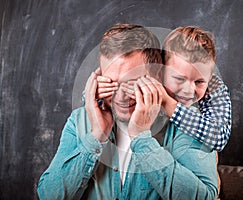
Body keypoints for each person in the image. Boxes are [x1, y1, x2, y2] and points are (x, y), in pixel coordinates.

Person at [37, 23, 218, 200]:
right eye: (111, 83)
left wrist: (142, 139)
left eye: (132, 82)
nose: (121, 96)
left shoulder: (187, 126)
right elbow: (48, 195)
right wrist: (97, 136)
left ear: (156, 77)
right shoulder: (79, 121)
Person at [99, 27, 231, 152]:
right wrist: (101, 91)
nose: (189, 90)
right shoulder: (151, 76)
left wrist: (167, 103)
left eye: (199, 82)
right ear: (161, 71)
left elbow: (218, 137)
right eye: (179, 79)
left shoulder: (214, 87)